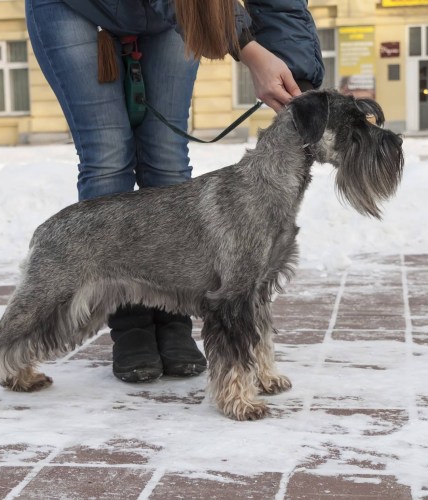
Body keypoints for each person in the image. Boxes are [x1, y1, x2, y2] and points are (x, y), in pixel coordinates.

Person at [25, 0, 324, 383]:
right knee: (107, 157)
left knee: (166, 158)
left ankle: (172, 320)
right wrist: (251, 52)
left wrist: (301, 82)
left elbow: (280, 4)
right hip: (76, 7)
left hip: (175, 13)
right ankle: (130, 324)